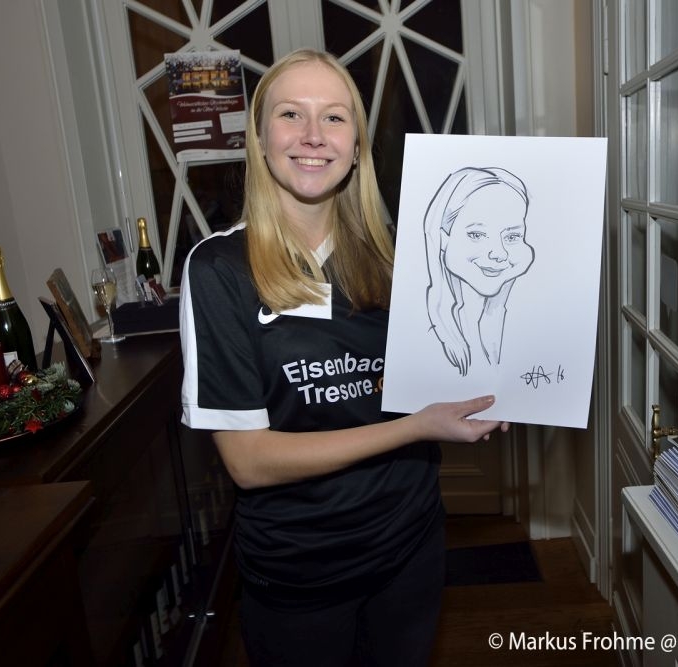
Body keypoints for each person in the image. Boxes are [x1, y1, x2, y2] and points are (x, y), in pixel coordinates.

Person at [179, 49, 507, 667]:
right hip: (301, 572)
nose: (312, 135)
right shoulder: (221, 269)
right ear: (260, 139)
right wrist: (417, 427)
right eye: (290, 114)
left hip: (410, 545)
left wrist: (496, 387)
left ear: (356, 147)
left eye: (334, 117)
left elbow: (446, 371)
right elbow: (248, 462)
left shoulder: (401, 260)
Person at [424, 167, 534, 376]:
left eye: (512, 237)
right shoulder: (421, 334)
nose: (498, 253)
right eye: (477, 234)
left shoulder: (530, 324)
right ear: (443, 238)